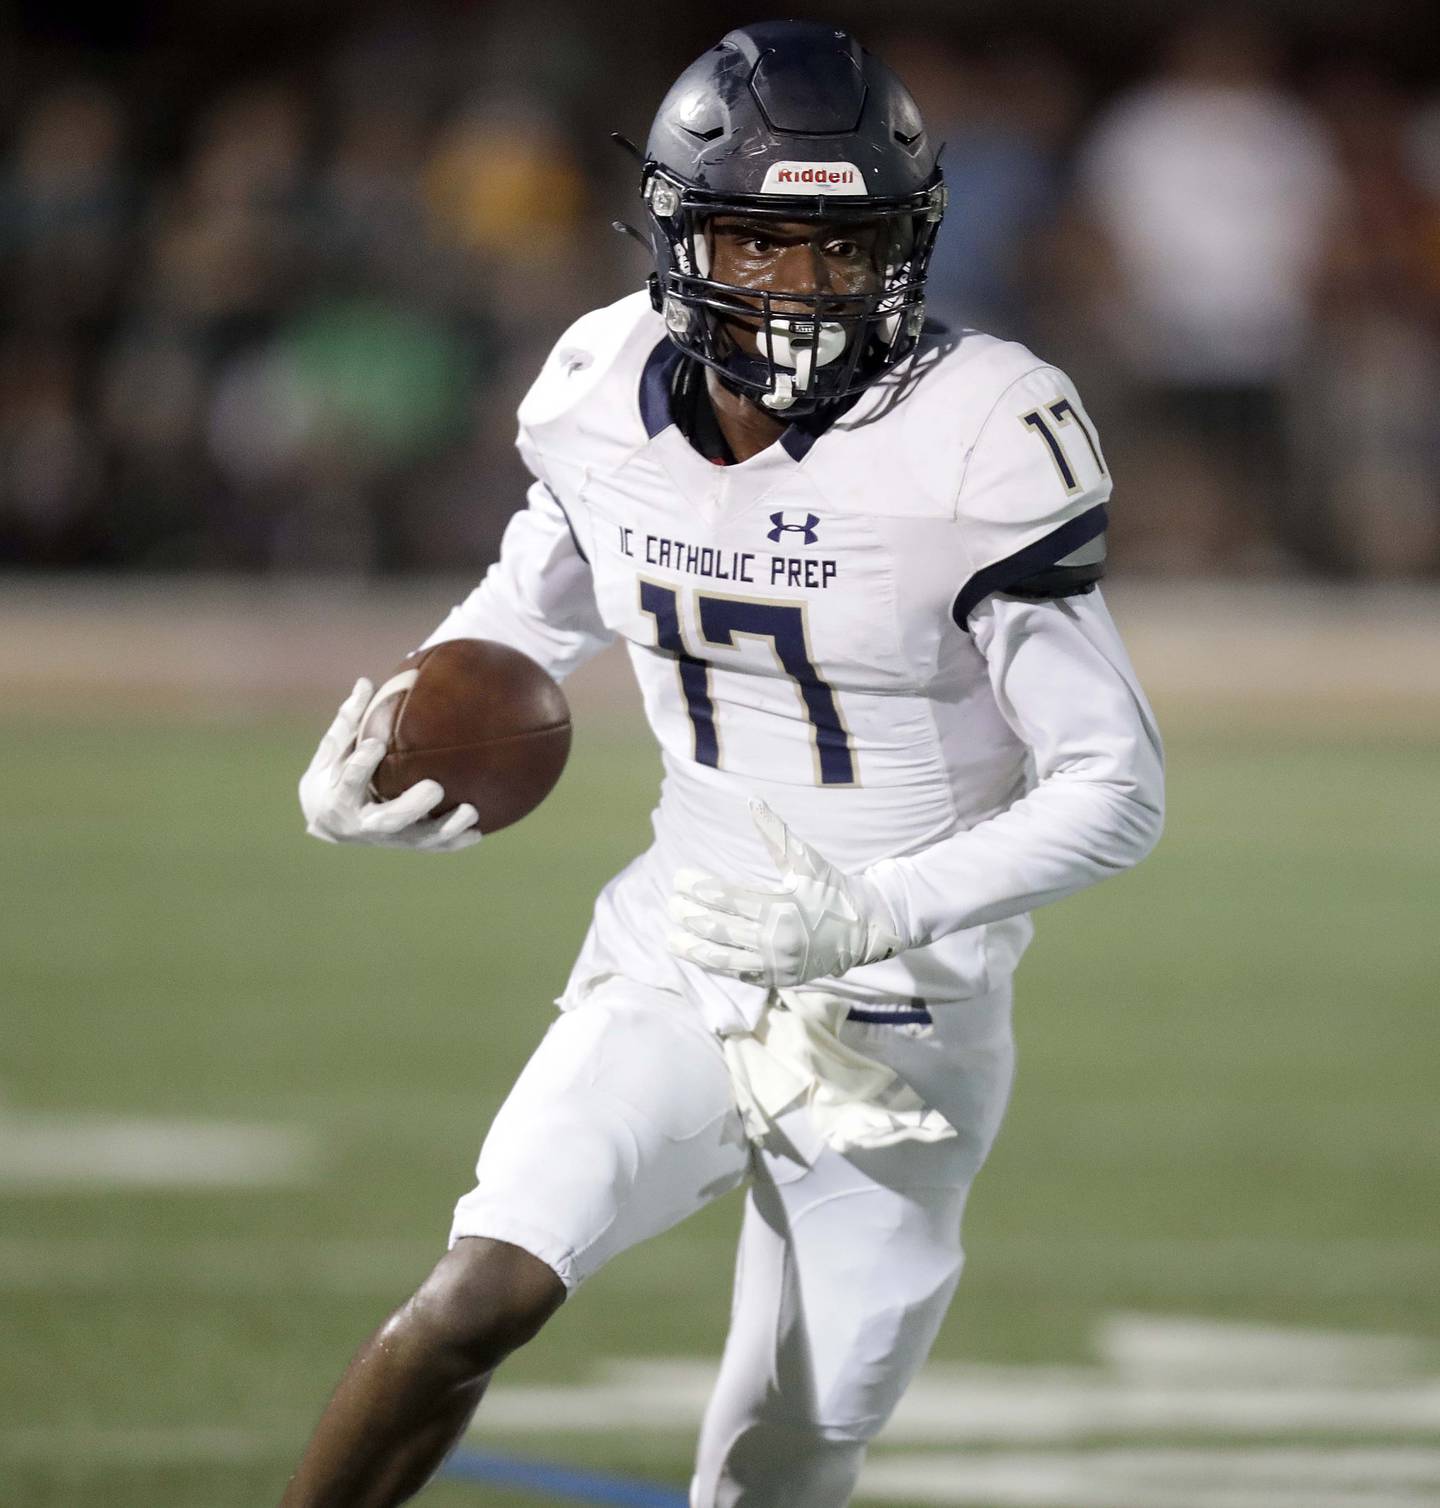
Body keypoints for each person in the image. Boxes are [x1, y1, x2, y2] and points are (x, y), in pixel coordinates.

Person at [282, 21, 1164, 1508]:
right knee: (478, 1293)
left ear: (908, 238)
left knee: (784, 1456)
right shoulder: (597, 385)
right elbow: (526, 611)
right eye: (759, 239)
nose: (804, 284)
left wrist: (871, 910)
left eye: (843, 243)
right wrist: (388, 744)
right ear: (683, 233)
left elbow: (1115, 785)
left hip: (903, 1017)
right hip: (684, 944)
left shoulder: (981, 429)